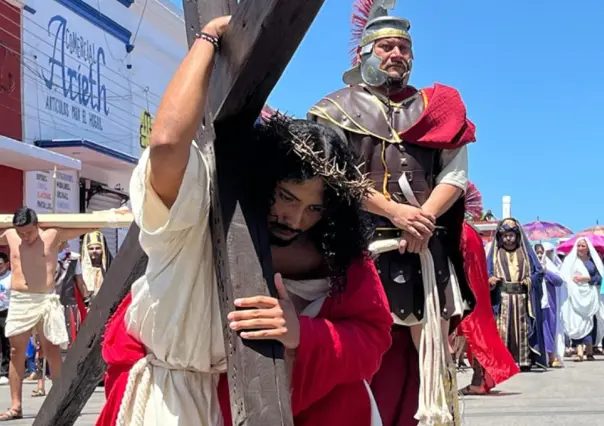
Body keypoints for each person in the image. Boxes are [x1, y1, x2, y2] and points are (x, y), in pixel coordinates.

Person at [96, 15, 393, 426]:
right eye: (286, 197)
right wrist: (208, 39)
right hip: (172, 400)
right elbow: (166, 144)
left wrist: (301, 334)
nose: (294, 218)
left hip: (305, 405)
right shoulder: (199, 216)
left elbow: (372, 337)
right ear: (264, 178)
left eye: (315, 209)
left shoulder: (338, 256)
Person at [308, 1, 476, 424]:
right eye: (386, 47)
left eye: (403, 47)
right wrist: (394, 213)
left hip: (426, 252)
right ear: (364, 54)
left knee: (431, 370)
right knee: (363, 360)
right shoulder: (335, 109)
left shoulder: (437, 108)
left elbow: (454, 176)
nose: (397, 54)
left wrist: (423, 219)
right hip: (361, 250)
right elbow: (333, 176)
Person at [0, 207, 109, 421]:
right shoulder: (10, 235)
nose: (25, 237)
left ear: (37, 225)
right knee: (15, 351)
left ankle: (60, 400)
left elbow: (89, 227)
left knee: (51, 350)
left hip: (44, 298)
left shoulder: (52, 235)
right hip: (21, 299)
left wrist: (109, 217)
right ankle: (16, 406)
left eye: (29, 232)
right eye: (21, 233)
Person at [457, 222, 519, 396]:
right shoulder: (468, 231)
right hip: (474, 291)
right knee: (476, 334)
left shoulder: (462, 231)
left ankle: (478, 380)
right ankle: (479, 379)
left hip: (467, 291)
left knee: (475, 334)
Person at [487, 218, 546, 372]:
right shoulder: (495, 254)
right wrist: (490, 279)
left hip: (522, 298)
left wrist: (530, 280)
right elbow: (486, 272)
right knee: (503, 330)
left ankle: (524, 360)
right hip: (502, 298)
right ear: (500, 237)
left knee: (523, 328)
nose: (508, 238)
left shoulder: (525, 253)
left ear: (517, 236)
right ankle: (504, 361)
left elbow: (539, 272)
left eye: (511, 235)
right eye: (505, 235)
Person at [560, 238, 604, 362]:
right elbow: (564, 277)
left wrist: (587, 278)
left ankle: (589, 351)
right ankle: (579, 352)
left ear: (587, 248)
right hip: (574, 296)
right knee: (577, 322)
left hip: (589, 296)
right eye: (578, 246)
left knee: (589, 322)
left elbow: (599, 278)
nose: (580, 248)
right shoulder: (571, 261)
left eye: (582, 246)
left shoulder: (593, 262)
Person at [534, 243, 565, 367]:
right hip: (535, 301)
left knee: (549, 328)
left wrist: (546, 272)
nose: (540, 255)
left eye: (542, 252)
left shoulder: (550, 266)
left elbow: (559, 281)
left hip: (549, 304)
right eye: (537, 252)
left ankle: (551, 357)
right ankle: (538, 358)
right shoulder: (530, 266)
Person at [81, 231, 113, 300]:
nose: (94, 251)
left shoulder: (111, 268)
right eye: (91, 248)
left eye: (98, 248)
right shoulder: (79, 269)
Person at [0, 253, 11, 385]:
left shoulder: (12, 277)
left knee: (6, 343)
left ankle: (4, 371)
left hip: (7, 312)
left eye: (0, 264)